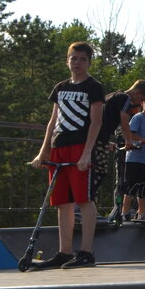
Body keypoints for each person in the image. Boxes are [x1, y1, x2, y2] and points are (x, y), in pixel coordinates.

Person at [28, 42, 105, 270]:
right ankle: (64, 251)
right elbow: (53, 120)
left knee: (83, 199)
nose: (77, 63)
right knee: (62, 201)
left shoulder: (94, 87)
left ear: (89, 62)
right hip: (59, 147)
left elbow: (96, 121)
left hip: (80, 147)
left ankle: (86, 252)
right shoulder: (60, 87)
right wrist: (44, 151)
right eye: (74, 58)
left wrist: (87, 152)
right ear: (67, 60)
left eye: (82, 59)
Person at [99, 80, 145, 223]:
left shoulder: (114, 94)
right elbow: (124, 122)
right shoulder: (125, 98)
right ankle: (80, 210)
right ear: (137, 93)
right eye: (141, 99)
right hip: (97, 138)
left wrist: (105, 142)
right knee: (95, 173)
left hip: (98, 138)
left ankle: (85, 210)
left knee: (97, 174)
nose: (138, 103)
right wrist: (129, 142)